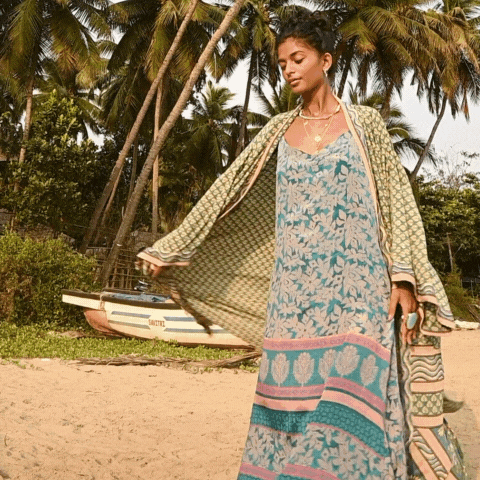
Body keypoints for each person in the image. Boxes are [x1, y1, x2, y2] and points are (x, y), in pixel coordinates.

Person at [137, 11, 466, 480]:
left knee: (353, 392)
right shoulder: (276, 132)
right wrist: (172, 247)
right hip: (293, 301)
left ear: (325, 60)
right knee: (294, 400)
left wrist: (404, 278)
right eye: (282, 62)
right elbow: (225, 191)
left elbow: (395, 198)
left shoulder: (364, 125)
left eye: (299, 58)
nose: (289, 69)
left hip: (361, 293)